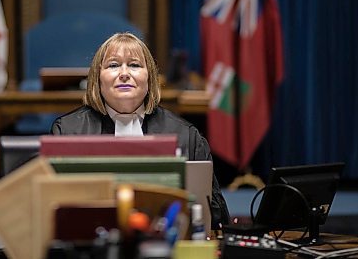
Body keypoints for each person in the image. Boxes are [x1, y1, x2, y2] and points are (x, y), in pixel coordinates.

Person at [51, 32, 230, 228]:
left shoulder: (186, 135)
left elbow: (214, 215)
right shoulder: (67, 131)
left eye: (135, 65)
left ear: (149, 78)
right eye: (113, 65)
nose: (124, 73)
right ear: (97, 78)